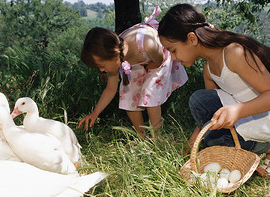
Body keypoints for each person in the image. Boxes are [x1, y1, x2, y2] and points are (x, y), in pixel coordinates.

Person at [158, 4, 270, 177]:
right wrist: (191, 145)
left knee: (216, 139)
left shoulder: (234, 53)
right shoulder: (209, 68)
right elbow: (208, 114)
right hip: (255, 108)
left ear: (191, 39)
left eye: (173, 50)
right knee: (199, 101)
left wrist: (237, 111)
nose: (173, 58)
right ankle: (253, 142)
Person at [78, 7, 188, 138]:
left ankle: (156, 136)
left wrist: (147, 70)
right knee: (127, 94)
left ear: (113, 53)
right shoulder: (116, 57)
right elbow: (110, 89)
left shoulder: (147, 43)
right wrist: (95, 112)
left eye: (101, 66)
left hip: (157, 58)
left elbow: (159, 61)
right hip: (136, 62)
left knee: (150, 93)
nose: (102, 70)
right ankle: (142, 136)